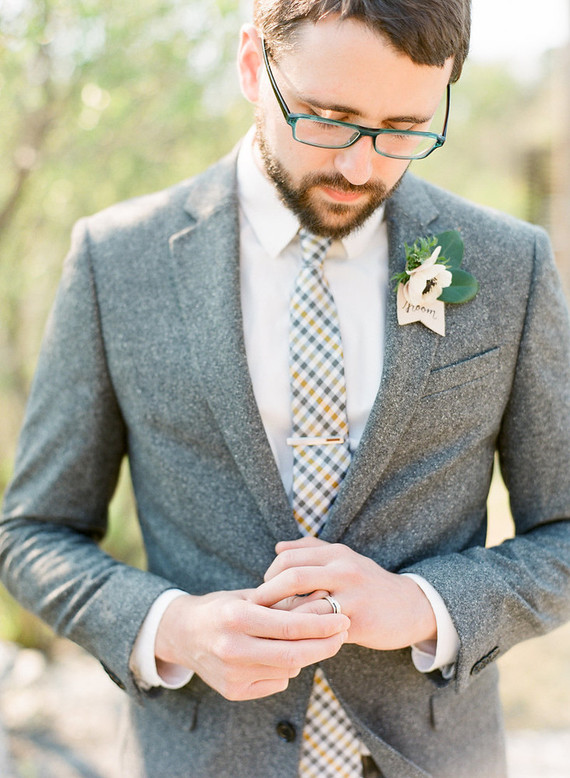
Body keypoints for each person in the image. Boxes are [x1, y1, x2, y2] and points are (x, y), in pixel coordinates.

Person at [1, 1, 569, 776]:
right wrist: (175, 628)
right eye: (328, 119)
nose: (361, 167)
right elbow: (33, 533)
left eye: (404, 127)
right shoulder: (116, 262)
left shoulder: (511, 266)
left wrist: (426, 606)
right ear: (250, 65)